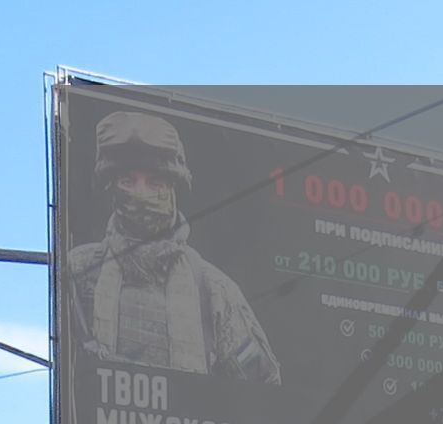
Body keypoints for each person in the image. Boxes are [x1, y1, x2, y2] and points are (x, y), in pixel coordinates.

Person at [61, 110, 280, 382]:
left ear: (173, 189)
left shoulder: (212, 288)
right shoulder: (81, 270)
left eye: (155, 183)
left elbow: (263, 392)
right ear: (112, 187)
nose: (141, 195)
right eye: (127, 182)